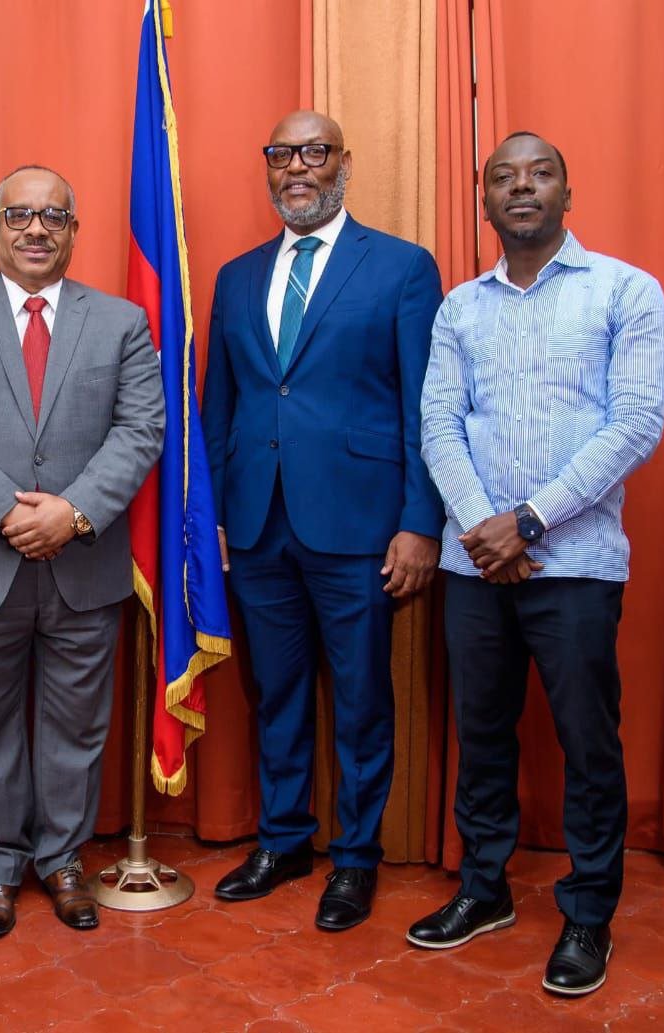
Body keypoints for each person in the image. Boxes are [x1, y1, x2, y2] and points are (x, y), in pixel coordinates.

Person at [411, 131, 664, 997]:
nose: (521, 187)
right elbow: (439, 424)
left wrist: (527, 520)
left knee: (587, 744)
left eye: (540, 174)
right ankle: (483, 890)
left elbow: (635, 422)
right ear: (484, 201)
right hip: (472, 562)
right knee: (480, 735)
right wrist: (486, 527)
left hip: (578, 563)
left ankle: (589, 911)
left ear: (569, 192)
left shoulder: (626, 293)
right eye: (502, 177)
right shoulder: (460, 308)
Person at [0, 165, 164, 939]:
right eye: (19, 215)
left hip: (84, 562)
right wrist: (9, 513)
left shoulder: (121, 323)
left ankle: (64, 860)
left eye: (53, 216)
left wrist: (73, 513)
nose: (36, 228)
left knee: (77, 726)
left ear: (75, 230)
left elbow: (140, 428)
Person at [201, 111, 444, 931]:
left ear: (345, 162)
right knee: (275, 693)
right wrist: (214, 522)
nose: (296, 168)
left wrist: (420, 520)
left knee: (364, 699)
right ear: (267, 169)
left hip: (362, 528)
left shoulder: (404, 269)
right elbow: (218, 409)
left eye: (313, 152)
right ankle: (283, 839)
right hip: (257, 525)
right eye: (281, 155)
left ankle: (357, 858)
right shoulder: (236, 277)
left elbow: (424, 407)